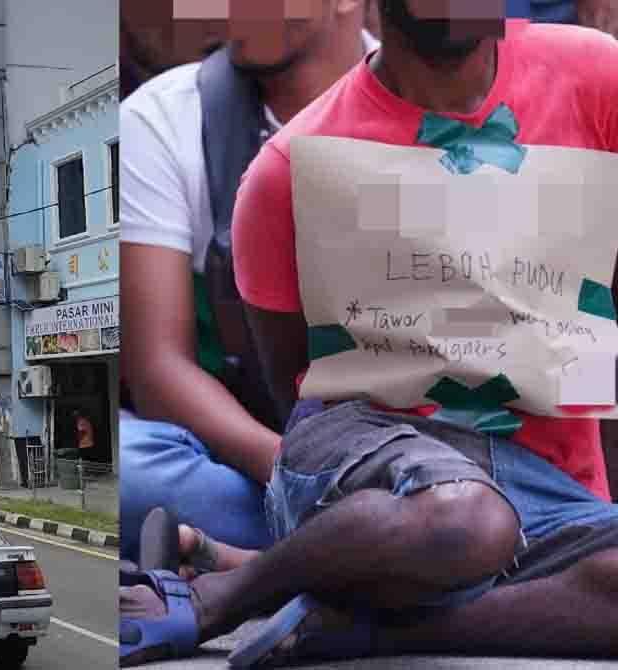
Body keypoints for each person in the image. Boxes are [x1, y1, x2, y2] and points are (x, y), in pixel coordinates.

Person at [121, 2, 618, 666]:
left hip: (546, 485)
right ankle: (225, 595)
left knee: (478, 532)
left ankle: (338, 618)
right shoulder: (281, 169)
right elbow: (299, 391)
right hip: (381, 455)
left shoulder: (592, 75)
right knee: (466, 520)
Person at [119, 0, 379, 563]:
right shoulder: (163, 116)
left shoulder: (426, 97)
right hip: (246, 459)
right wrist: (302, 473)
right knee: (131, 470)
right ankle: (373, 548)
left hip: (411, 450)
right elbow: (158, 371)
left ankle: (259, 561)